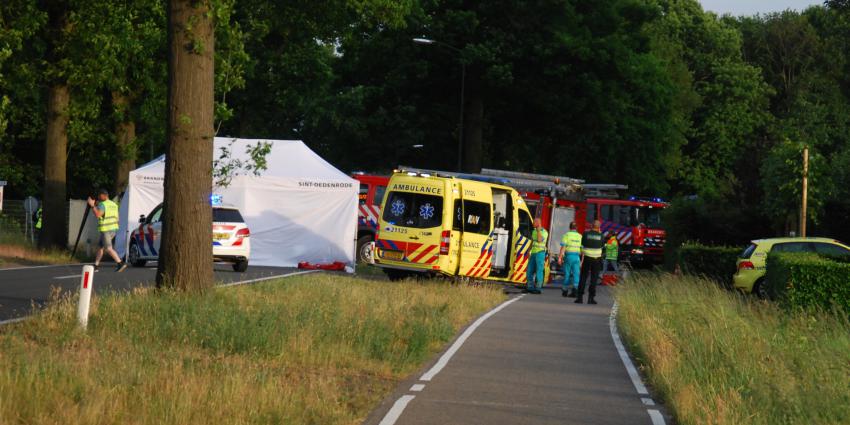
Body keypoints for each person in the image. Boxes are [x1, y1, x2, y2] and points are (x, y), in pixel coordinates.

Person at [87, 189, 127, 272]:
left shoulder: (103, 204)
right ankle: (96, 265)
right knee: (100, 247)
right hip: (113, 229)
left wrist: (92, 205)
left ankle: (120, 263)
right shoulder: (114, 204)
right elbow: (117, 218)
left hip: (106, 230)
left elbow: (98, 215)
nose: (98, 197)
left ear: (104, 195)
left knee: (109, 248)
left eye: (99, 195)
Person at [576, 220, 604, 304]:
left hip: (587, 258)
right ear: (599, 227)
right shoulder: (601, 235)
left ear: (591, 226)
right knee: (594, 279)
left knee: (583, 277)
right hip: (596, 259)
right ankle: (591, 298)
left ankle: (580, 298)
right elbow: (602, 245)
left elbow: (583, 243)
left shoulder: (585, 234)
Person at [558, 221, 582, 298]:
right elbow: (582, 250)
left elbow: (563, 247)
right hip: (577, 257)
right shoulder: (580, 236)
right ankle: (575, 290)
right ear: (576, 228)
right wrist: (582, 261)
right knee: (576, 274)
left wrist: (560, 257)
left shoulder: (566, 235)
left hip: (568, 256)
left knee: (567, 273)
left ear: (569, 227)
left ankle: (565, 290)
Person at [526, 217, 548, 294]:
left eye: (534, 222)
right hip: (533, 253)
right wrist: (528, 250)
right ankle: (530, 287)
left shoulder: (544, 232)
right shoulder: (534, 231)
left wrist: (538, 231)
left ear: (538, 223)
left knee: (539, 271)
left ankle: (538, 288)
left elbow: (539, 240)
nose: (533, 224)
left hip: (540, 253)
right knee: (529, 270)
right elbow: (532, 241)